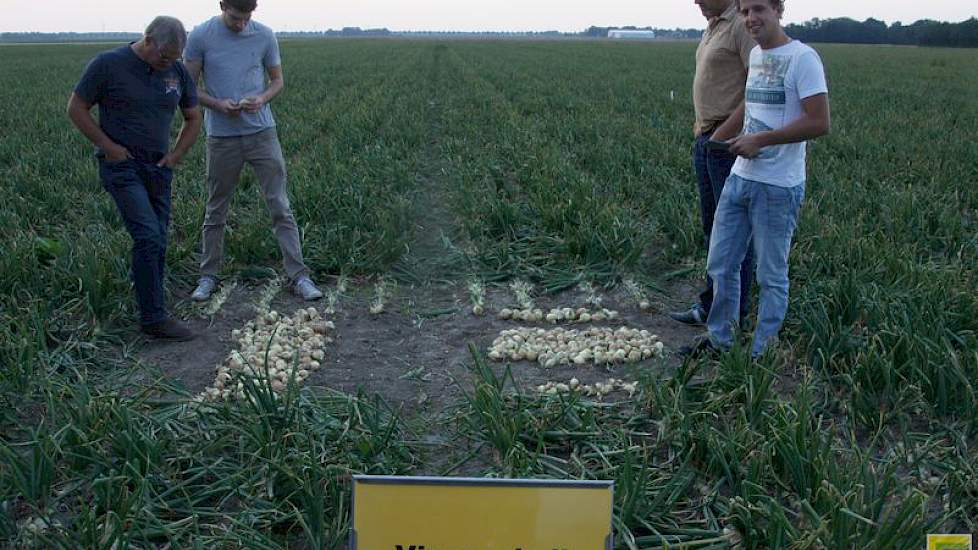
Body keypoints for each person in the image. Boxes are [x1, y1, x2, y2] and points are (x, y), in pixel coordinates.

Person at [683, 0, 831, 358]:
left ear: (779, 10)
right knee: (721, 263)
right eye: (746, 11)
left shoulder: (803, 58)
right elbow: (751, 105)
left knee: (770, 274)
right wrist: (716, 141)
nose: (751, 18)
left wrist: (760, 140)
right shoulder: (761, 58)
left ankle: (762, 352)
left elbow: (819, 122)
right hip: (741, 176)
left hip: (777, 186)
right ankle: (721, 340)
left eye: (760, 9)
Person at [67, 16, 202, 341]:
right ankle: (153, 317)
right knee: (147, 236)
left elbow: (193, 115)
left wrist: (176, 155)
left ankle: (152, 304)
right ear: (148, 40)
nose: (167, 64)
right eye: (164, 57)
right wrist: (109, 147)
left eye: (173, 59)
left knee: (158, 240)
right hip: (122, 167)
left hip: (158, 168)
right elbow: (76, 107)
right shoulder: (109, 64)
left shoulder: (176, 71)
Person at [184, 0, 323, 301]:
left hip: (262, 132)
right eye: (236, 17)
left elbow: (277, 80)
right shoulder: (200, 36)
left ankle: (299, 277)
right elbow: (189, 87)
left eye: (247, 17)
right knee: (216, 208)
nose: (241, 24)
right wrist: (219, 105)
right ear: (222, 5)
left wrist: (262, 98)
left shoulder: (264, 35)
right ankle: (208, 277)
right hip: (221, 136)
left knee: (280, 206)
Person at [670, 0, 755, 328]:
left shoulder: (741, 24)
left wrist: (723, 133)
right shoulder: (715, 24)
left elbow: (757, 87)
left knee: (734, 233)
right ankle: (710, 306)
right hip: (706, 139)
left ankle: (733, 318)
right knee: (714, 229)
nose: (696, 2)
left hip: (728, 142)